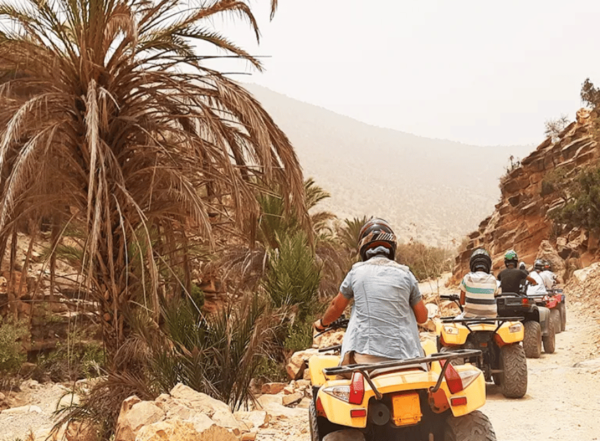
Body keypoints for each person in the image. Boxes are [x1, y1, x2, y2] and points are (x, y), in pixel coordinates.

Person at [313, 218, 428, 365]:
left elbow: (336, 306)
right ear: (392, 247)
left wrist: (322, 324)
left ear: (363, 247)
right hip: (407, 358)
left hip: (366, 359)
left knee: (338, 381)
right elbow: (422, 317)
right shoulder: (406, 274)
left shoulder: (356, 272)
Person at [458, 248, 498, 318]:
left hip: (469, 318)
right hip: (490, 319)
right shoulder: (493, 279)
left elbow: (462, 302)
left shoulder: (467, 278)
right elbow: (494, 296)